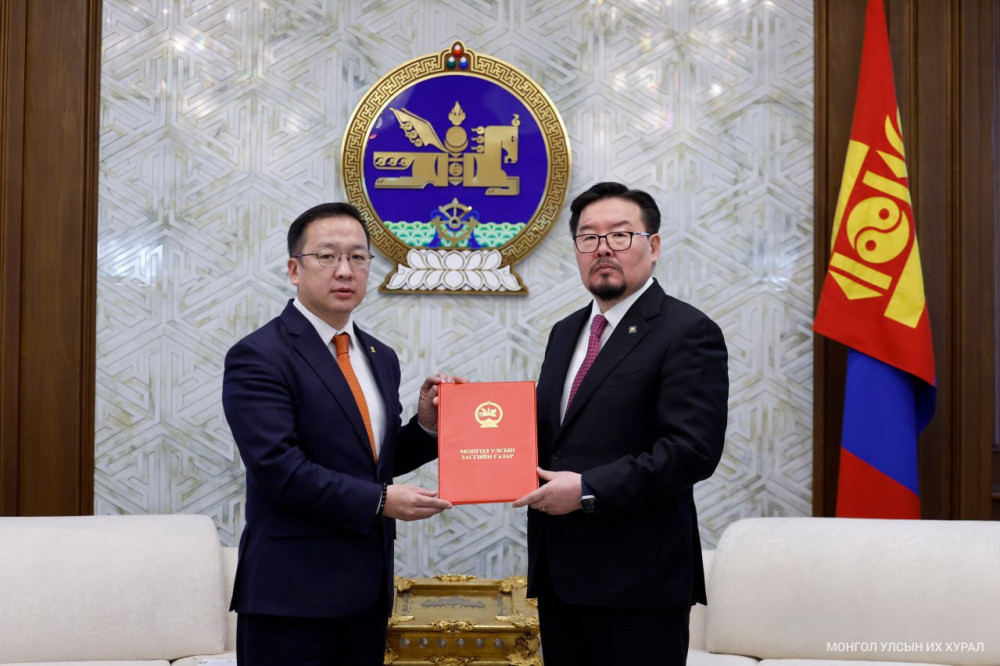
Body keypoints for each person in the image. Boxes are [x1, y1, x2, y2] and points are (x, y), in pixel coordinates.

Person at [222, 202, 454, 665]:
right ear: (294, 269)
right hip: (290, 596)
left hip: (367, 593)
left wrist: (426, 426)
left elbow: (373, 461)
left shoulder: (380, 355)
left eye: (358, 257)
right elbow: (278, 469)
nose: (345, 270)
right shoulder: (259, 355)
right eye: (327, 256)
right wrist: (381, 501)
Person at [513, 182, 729, 665]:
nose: (603, 248)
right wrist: (471, 420)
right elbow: (557, 436)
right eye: (588, 237)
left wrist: (588, 489)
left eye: (620, 235)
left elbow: (692, 450)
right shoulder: (566, 331)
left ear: (653, 246)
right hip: (561, 576)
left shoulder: (687, 331)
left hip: (640, 584)